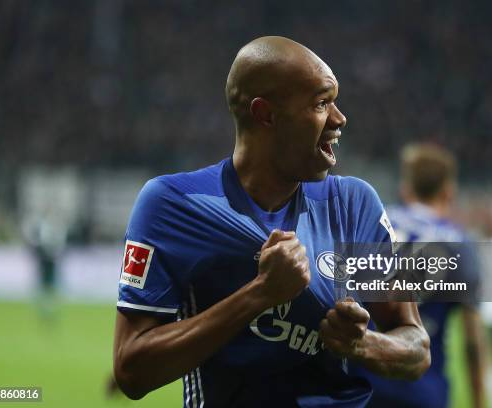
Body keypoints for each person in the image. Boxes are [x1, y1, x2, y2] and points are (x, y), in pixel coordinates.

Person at [112, 36, 430, 407]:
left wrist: (364, 343)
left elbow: (417, 349)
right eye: (322, 103)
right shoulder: (174, 205)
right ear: (265, 114)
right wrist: (259, 294)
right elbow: (131, 371)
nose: (340, 119)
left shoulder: (354, 205)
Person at [356, 143, 486, 408]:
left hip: (363, 382)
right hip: (423, 387)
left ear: (406, 188)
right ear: (449, 191)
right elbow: (472, 341)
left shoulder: (374, 221)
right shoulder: (459, 243)